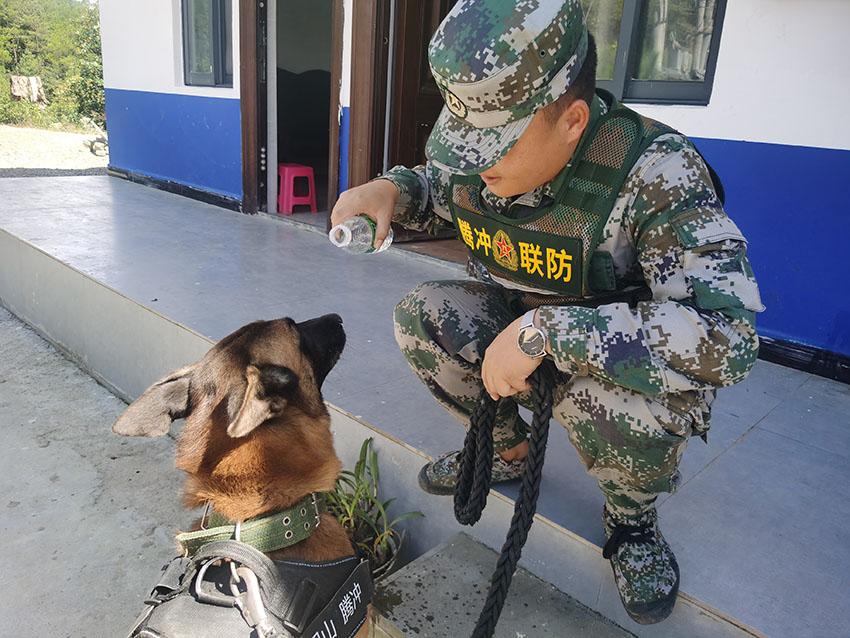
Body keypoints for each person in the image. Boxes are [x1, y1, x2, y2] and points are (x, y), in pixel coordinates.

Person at [331, 0, 764, 625]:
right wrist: (393, 190)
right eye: (468, 141)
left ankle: (630, 520)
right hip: (521, 334)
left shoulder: (655, 172)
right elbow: (441, 189)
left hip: (605, 363)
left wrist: (548, 333)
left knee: (631, 408)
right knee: (425, 316)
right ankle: (505, 453)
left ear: (573, 120)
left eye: (496, 145)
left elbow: (726, 336)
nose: (479, 164)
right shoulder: (487, 166)